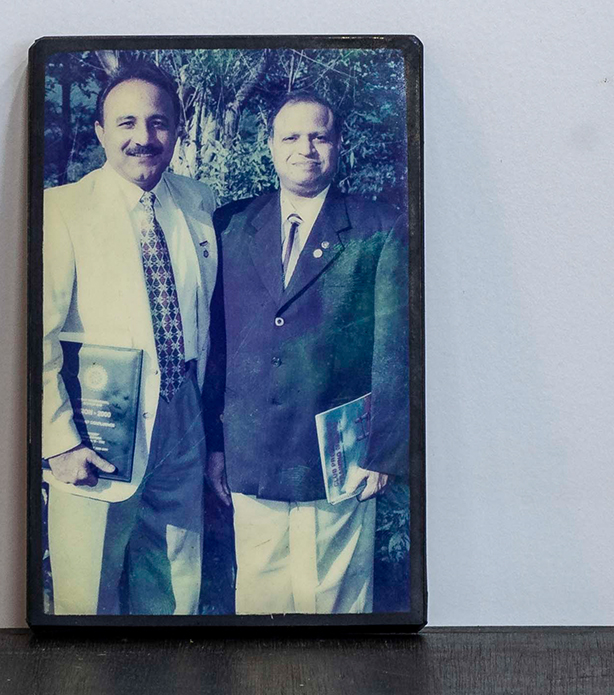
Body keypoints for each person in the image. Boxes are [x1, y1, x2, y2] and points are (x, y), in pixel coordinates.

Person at [203, 90, 409, 614]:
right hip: (252, 454)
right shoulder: (231, 225)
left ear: (339, 144)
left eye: (319, 136)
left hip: (338, 457)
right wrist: (215, 445)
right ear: (270, 146)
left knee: (335, 604)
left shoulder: (379, 227)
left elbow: (394, 349)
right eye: (291, 137)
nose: (305, 149)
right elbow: (218, 347)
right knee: (260, 600)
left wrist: (383, 452)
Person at [42, 61, 218, 615]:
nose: (144, 137)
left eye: (158, 122)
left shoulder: (199, 203)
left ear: (177, 129)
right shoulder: (61, 210)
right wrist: (58, 441)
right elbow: (34, 338)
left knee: (175, 590)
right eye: (126, 123)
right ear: (100, 132)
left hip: (183, 421)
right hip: (97, 431)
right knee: (86, 598)